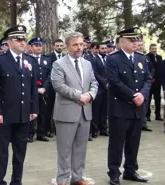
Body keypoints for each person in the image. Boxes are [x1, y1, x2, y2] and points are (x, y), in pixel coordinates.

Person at [0, 25, 38, 185]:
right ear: (9, 42)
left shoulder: (30, 61)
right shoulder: (0, 61)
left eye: (24, 39)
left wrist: (33, 109)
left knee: (20, 151)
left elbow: (33, 88)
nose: (23, 42)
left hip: (23, 114)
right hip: (5, 114)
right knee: (2, 151)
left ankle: (17, 180)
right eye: (19, 39)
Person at [51, 32, 98, 185]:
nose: (79, 47)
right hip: (67, 112)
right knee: (64, 150)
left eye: (81, 44)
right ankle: (63, 179)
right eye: (75, 44)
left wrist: (90, 95)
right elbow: (59, 86)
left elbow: (94, 83)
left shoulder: (87, 63)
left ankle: (77, 177)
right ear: (67, 46)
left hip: (85, 112)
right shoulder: (59, 64)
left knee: (80, 148)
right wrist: (80, 96)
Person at [106, 27, 151, 185]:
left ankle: (130, 170)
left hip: (137, 108)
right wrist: (133, 95)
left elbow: (147, 79)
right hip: (120, 108)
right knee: (116, 143)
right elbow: (114, 82)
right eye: (132, 40)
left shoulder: (141, 58)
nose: (135, 43)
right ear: (122, 41)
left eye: (137, 40)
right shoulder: (113, 59)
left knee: (134, 141)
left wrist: (143, 95)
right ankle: (114, 173)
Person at [27, 37, 51, 142]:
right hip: (32, 91)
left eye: (40, 45)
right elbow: (26, 76)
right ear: (31, 47)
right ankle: (30, 134)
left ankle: (41, 133)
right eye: (36, 45)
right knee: (31, 113)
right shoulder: (27, 59)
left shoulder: (47, 59)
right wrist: (36, 89)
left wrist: (45, 87)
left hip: (44, 91)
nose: (38, 47)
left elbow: (50, 75)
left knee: (43, 113)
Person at [146, 44, 163, 121]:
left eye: (155, 48)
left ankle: (158, 115)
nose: (154, 50)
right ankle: (148, 115)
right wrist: (150, 78)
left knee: (157, 99)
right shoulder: (146, 57)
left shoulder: (159, 57)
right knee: (148, 99)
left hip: (158, 82)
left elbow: (160, 69)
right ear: (149, 49)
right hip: (150, 81)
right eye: (152, 49)